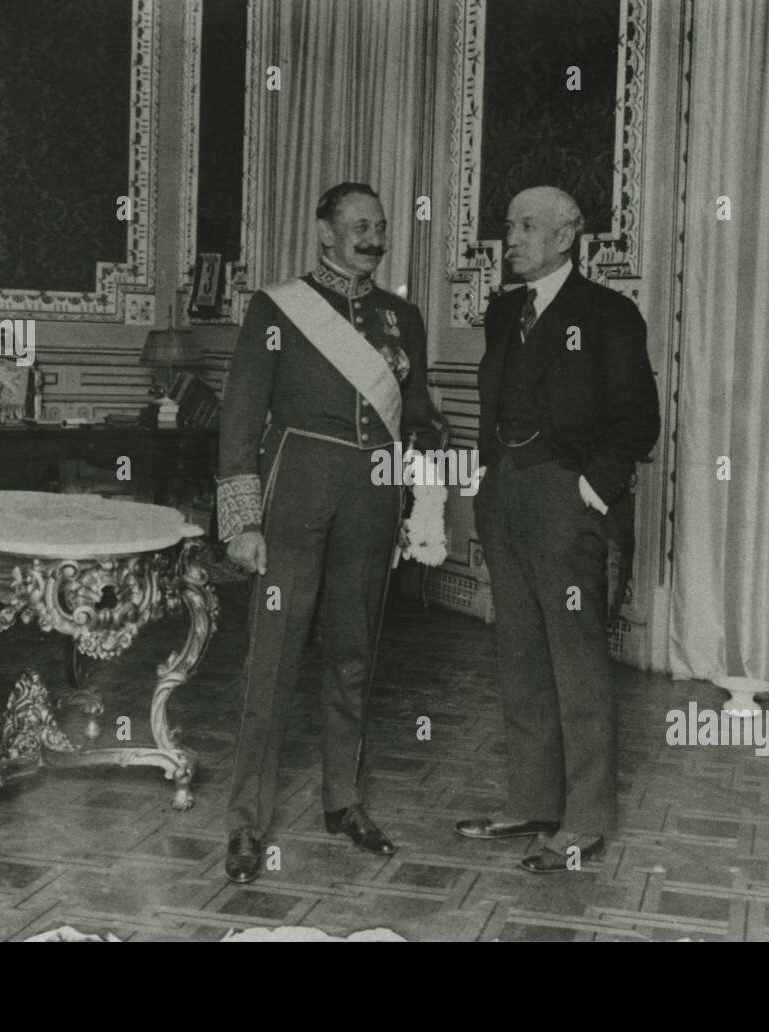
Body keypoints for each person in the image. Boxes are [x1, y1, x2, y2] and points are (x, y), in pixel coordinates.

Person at [216, 182, 444, 884]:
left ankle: (344, 801)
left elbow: (421, 414)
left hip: (374, 500)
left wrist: (428, 500)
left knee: (354, 651)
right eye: (356, 226)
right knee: (274, 658)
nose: (371, 237)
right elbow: (239, 420)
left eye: (379, 226)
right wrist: (241, 521)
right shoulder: (278, 307)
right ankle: (248, 822)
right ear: (324, 233)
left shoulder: (402, 316)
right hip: (296, 492)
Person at [455, 186, 660, 873]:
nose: (509, 237)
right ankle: (533, 802)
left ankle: (585, 818)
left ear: (567, 236)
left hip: (564, 502)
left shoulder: (608, 315)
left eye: (527, 226)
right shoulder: (504, 311)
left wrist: (589, 494)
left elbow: (638, 419)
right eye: (508, 224)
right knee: (519, 656)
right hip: (505, 495)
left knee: (576, 665)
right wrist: (489, 482)